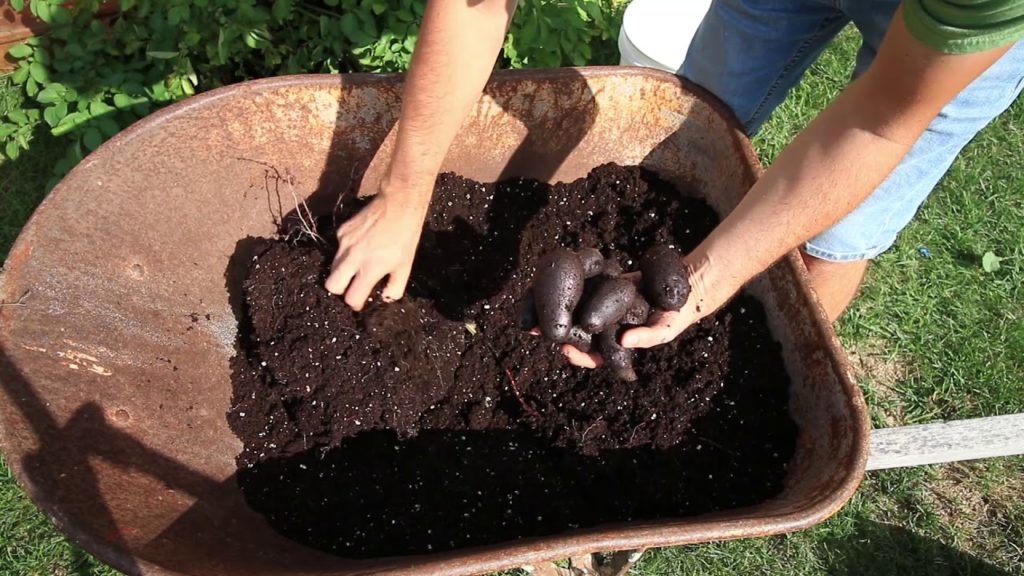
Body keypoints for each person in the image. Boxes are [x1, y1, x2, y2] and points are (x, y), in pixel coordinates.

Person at [324, 0, 1024, 370]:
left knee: (839, 235)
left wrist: (702, 285)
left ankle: (762, 373)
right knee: (696, 120)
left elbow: (878, 124)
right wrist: (405, 192)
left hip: (949, 38)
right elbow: (478, 2)